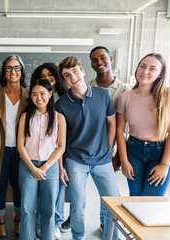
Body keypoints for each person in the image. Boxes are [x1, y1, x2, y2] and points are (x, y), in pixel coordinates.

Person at [56, 56, 119, 240]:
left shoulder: (103, 95)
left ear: (83, 71)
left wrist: (108, 147)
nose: (72, 77)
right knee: (78, 203)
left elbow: (112, 123)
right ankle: (78, 236)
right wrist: (61, 166)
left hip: (102, 159)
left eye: (75, 71)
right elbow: (59, 140)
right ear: (64, 80)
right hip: (76, 160)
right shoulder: (61, 104)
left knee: (112, 202)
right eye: (67, 75)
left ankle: (112, 237)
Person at [116, 53, 170, 197]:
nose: (145, 71)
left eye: (152, 68)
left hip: (161, 152)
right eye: (143, 66)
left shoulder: (169, 94)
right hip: (134, 151)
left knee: (152, 200)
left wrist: (165, 165)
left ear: (160, 73)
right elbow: (119, 131)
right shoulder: (125, 97)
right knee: (135, 195)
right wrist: (124, 161)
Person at [17, 79, 66, 240]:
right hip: (27, 166)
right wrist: (33, 168)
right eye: (35, 94)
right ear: (30, 96)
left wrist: (44, 168)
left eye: (43, 94)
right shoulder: (26, 116)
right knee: (27, 209)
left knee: (49, 209)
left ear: (50, 94)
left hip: (49, 168)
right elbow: (20, 145)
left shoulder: (59, 118)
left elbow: (61, 147)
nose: (39, 98)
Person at [88, 46, 130, 231]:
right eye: (95, 60)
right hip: (90, 145)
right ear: (91, 64)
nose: (99, 62)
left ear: (110, 58)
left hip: (112, 147)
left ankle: (108, 223)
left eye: (103, 58)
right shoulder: (87, 86)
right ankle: (103, 222)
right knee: (90, 189)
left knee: (109, 189)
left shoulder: (124, 89)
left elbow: (124, 124)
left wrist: (117, 153)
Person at [30, 63, 69, 239]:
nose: (47, 79)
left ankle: (56, 223)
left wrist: (59, 165)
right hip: (43, 151)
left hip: (63, 149)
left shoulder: (63, 99)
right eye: (43, 76)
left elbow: (59, 142)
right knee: (42, 189)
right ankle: (41, 222)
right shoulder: (36, 100)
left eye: (50, 75)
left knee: (58, 188)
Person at [0, 55, 29, 239]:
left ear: (22, 72)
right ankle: (0, 225)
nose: (12, 71)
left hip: (22, 150)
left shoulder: (29, 95)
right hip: (0, 149)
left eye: (16, 68)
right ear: (4, 72)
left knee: (19, 186)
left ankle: (18, 221)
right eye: (8, 68)